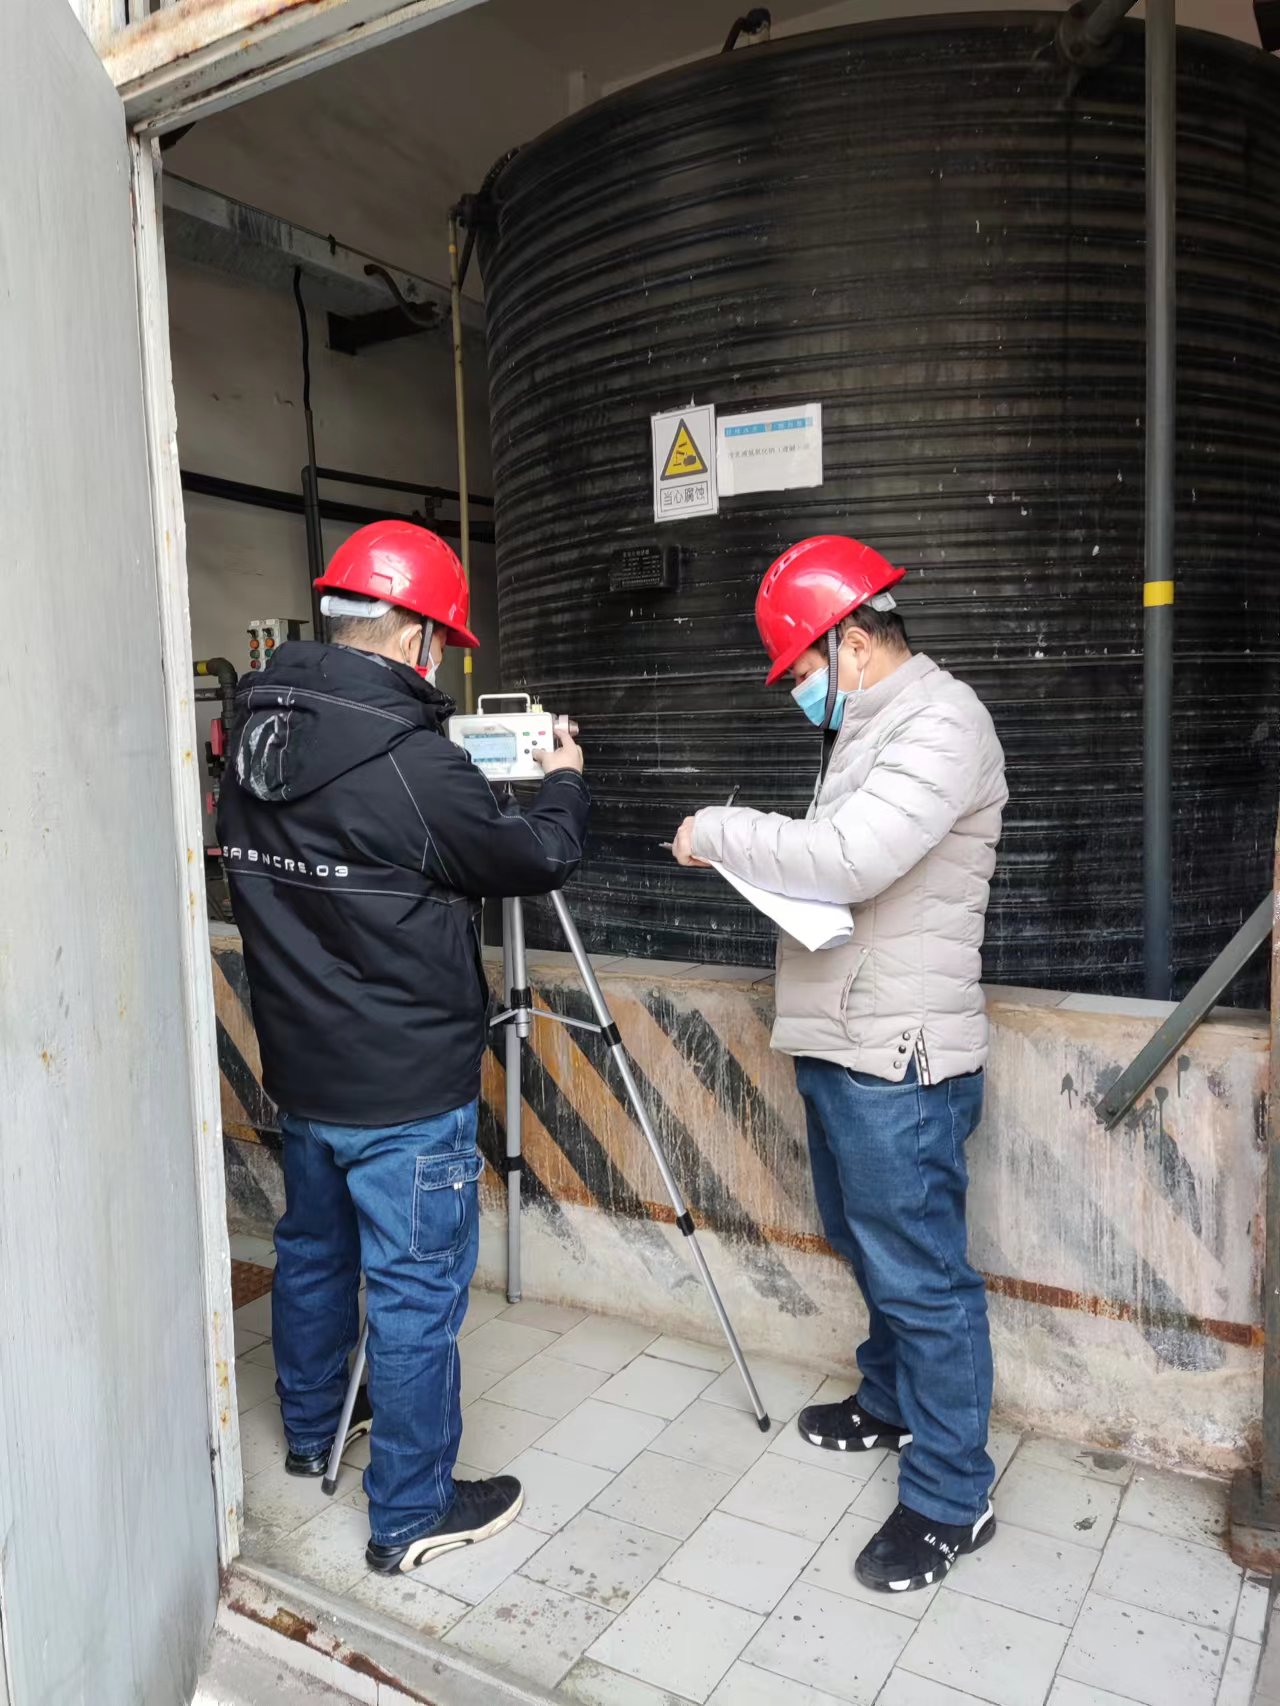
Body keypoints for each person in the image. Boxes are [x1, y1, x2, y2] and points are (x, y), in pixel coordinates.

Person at [217, 520, 589, 1575]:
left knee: (312, 1252)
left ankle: (310, 1430)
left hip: (303, 1069)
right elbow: (534, 857)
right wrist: (564, 777)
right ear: (419, 637)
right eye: (442, 646)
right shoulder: (418, 762)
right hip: (406, 1088)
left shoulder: (250, 739)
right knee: (416, 1294)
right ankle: (413, 1510)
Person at [670, 534, 1007, 1594]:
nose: (798, 694)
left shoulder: (941, 722)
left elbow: (853, 860)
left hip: (900, 1055)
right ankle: (892, 1401)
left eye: (801, 671)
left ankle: (951, 1495)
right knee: (865, 1244)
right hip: (843, 1039)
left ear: (853, 641)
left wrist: (718, 829)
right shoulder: (870, 730)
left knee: (922, 1276)